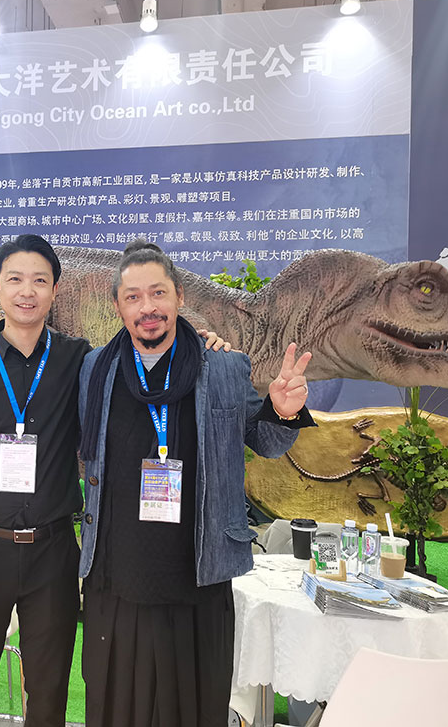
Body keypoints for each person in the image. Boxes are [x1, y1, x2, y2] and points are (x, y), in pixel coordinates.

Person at [0, 235, 229, 727]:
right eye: (15, 280)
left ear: (55, 290)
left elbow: (146, 359)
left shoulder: (81, 362)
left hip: (53, 552)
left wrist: (199, 343)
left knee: (49, 696)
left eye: (39, 281)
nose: (27, 291)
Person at [77, 240, 316, 727]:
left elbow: (266, 442)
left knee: (193, 709)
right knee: (115, 709)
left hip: (197, 575)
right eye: (133, 297)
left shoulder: (222, 366)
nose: (147, 307)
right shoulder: (94, 369)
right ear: (118, 306)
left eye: (158, 293)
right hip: (115, 576)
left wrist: (284, 412)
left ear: (179, 296)